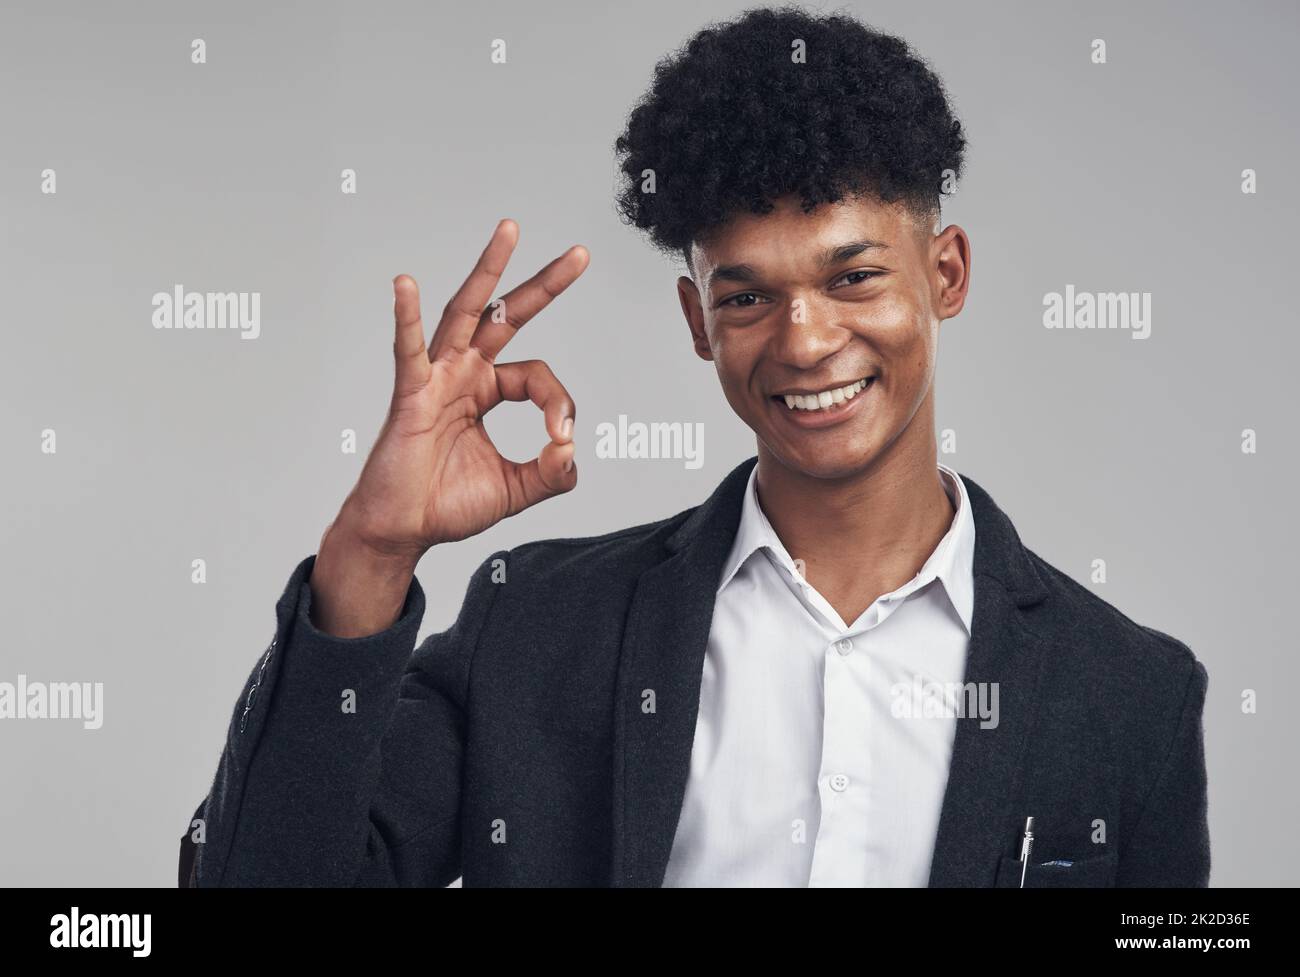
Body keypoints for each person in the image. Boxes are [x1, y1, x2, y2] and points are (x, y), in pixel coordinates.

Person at [179, 6, 1209, 887]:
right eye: (749, 295)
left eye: (853, 277)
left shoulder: (1126, 693)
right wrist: (369, 551)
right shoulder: (531, 628)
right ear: (696, 320)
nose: (804, 340)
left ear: (944, 274)